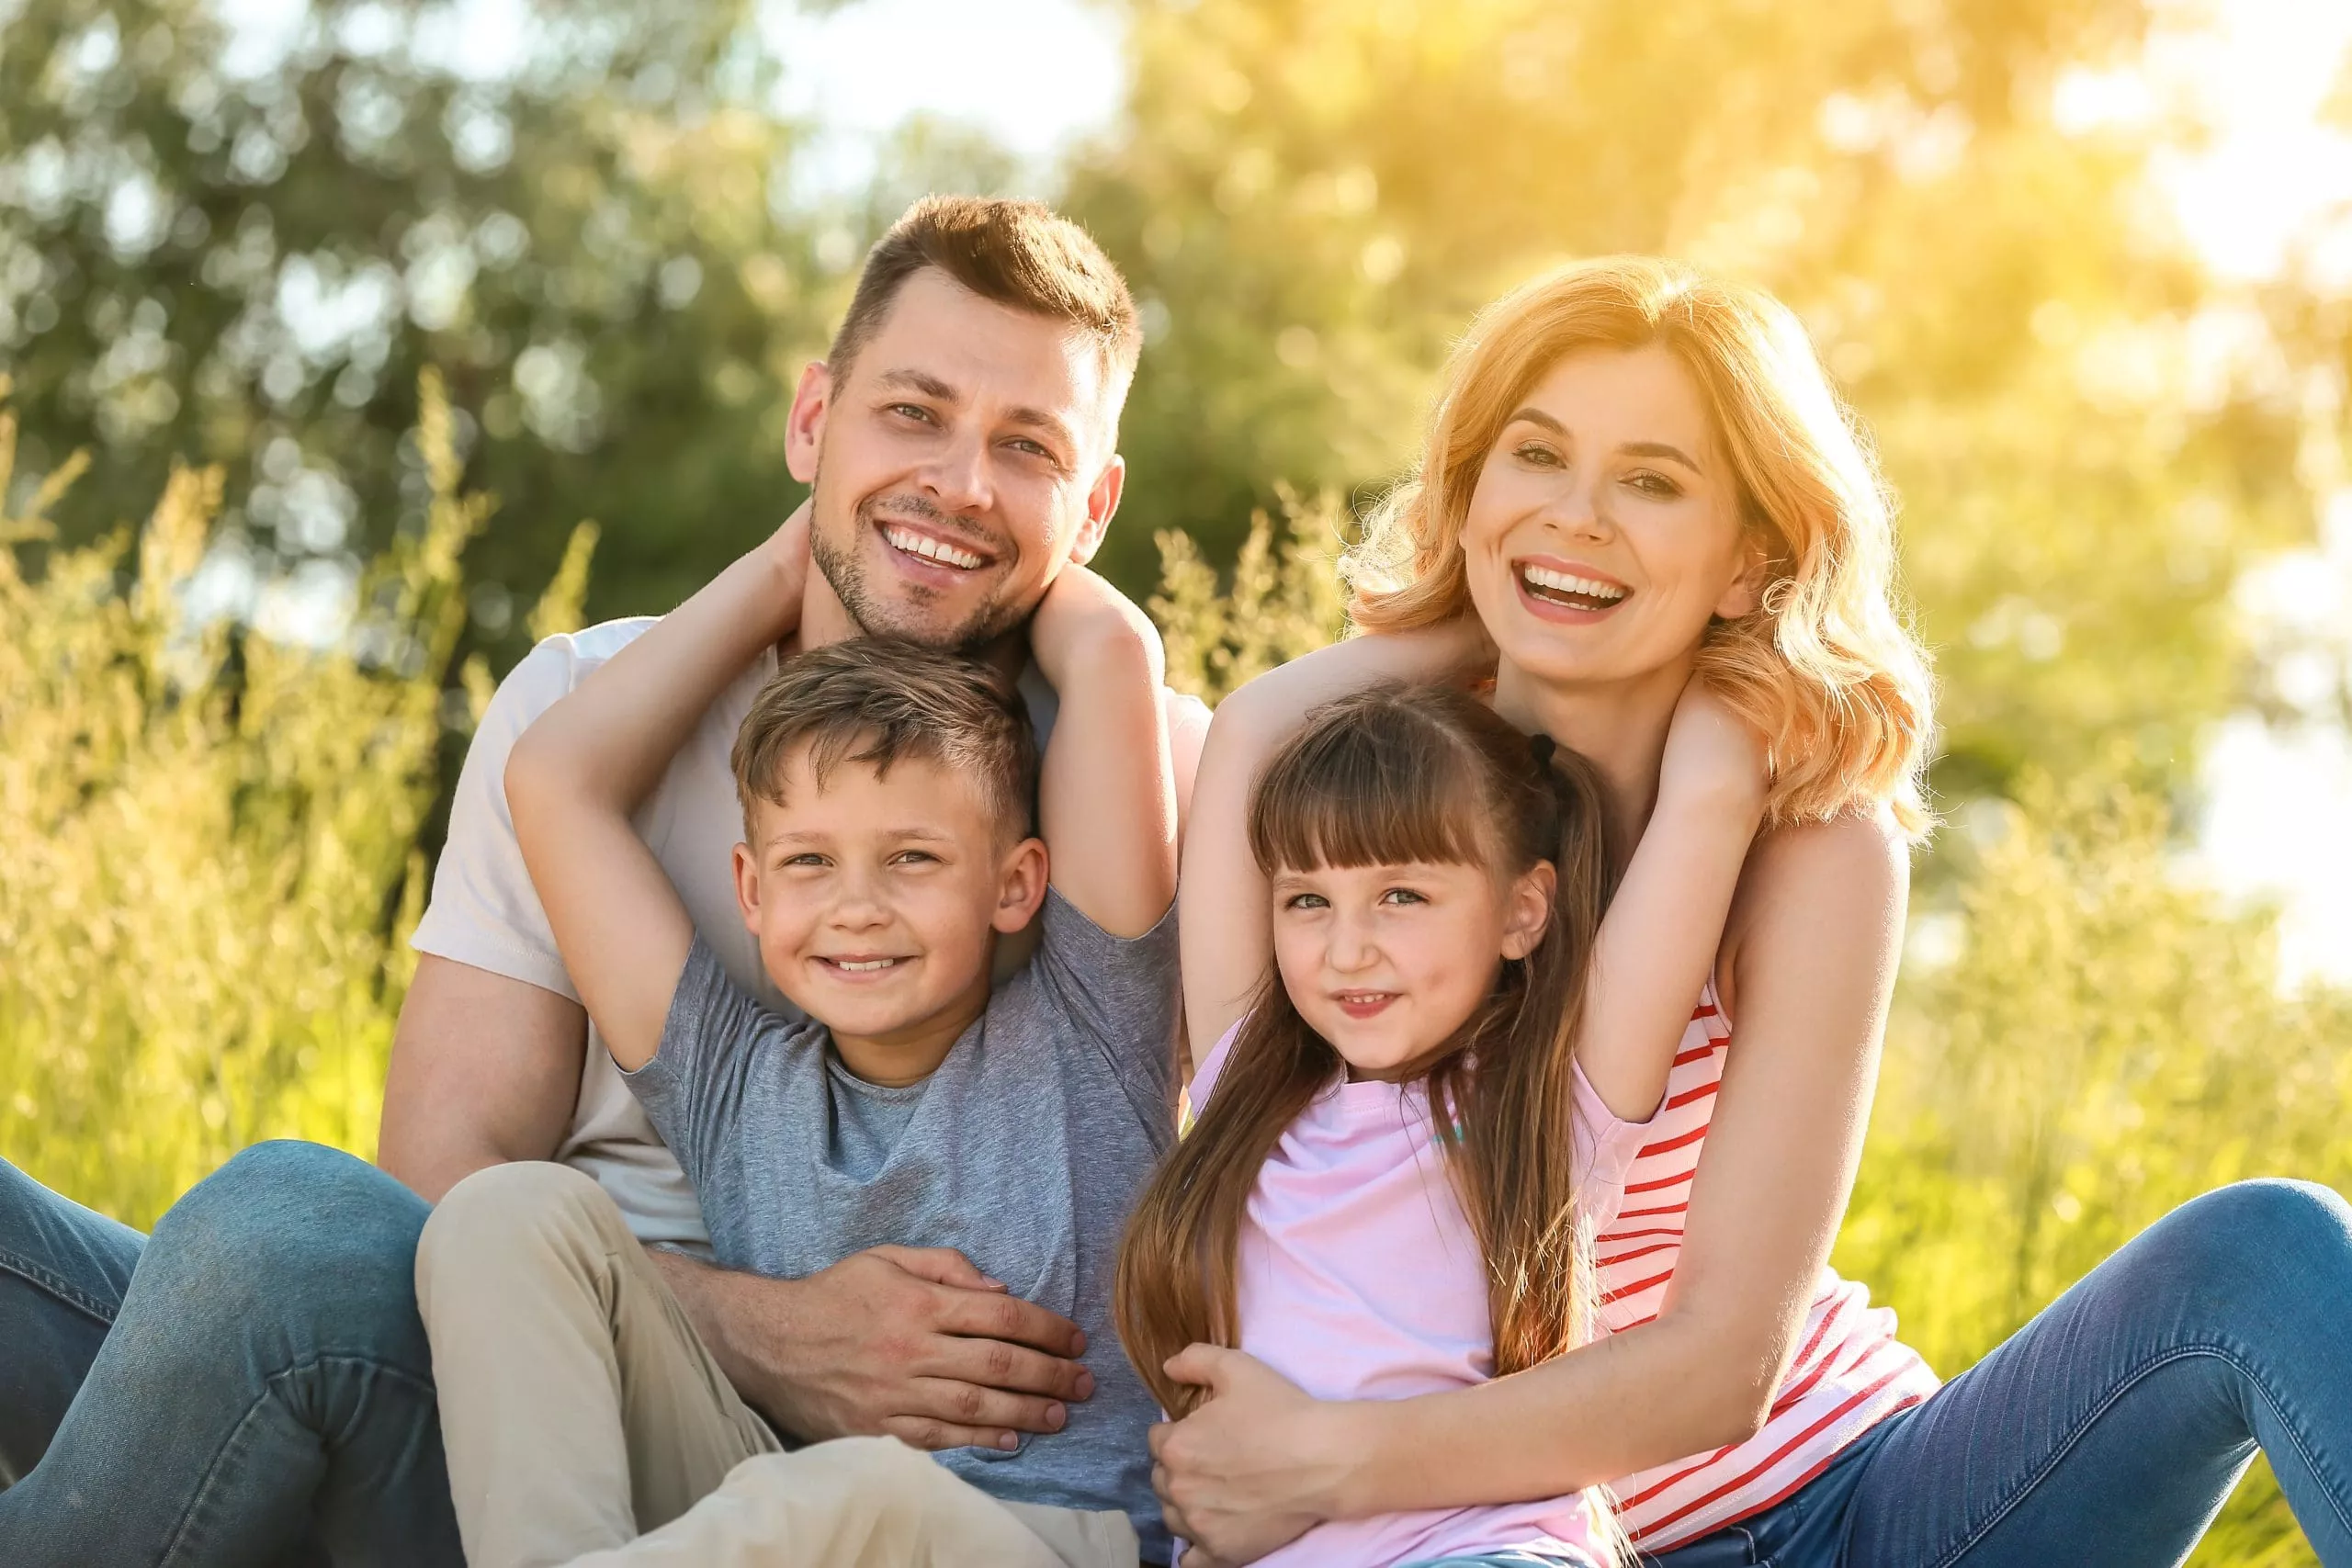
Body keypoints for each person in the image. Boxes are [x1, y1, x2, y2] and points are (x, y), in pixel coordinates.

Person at [0, 194, 1209, 1568]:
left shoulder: (1150, 784)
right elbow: (442, 1193)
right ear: (813, 421)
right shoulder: (599, 720)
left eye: (1027, 448)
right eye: (912, 415)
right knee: (295, 1237)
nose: (961, 484)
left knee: (281, 1231)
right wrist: (769, 1325)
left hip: (876, 1504)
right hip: (539, 1403)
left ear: (1098, 502)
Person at [1145, 254, 2352, 1568]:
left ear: (1750, 558)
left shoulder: (1811, 847)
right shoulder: (1366, 822)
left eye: (1653, 483)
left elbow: (1724, 1364)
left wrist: (1330, 1458)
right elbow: (1257, 737)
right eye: (1534, 458)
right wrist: (1480, 603)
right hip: (1507, 1547)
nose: (1579, 515)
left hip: (1871, 1509)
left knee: (2268, 1251)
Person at [416, 505, 1179, 1568]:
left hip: (1044, 1546)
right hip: (771, 1525)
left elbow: (1110, 650)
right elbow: (552, 782)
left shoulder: (1092, 1033)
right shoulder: (735, 1082)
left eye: (911, 858)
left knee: (858, 1492)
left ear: (1016, 885)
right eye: (811, 864)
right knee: (504, 1210)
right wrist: (790, 559)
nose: (855, 907)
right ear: (753, 891)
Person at [1114, 673, 1768, 1568]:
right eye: (1308, 900)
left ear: (1520, 911)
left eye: (1402, 897)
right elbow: (1250, 724)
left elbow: (1714, 791)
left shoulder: (1544, 1100)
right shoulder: (1243, 1085)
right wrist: (1465, 608)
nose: (1346, 951)